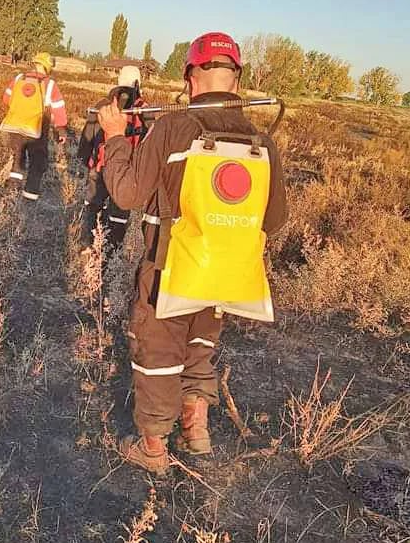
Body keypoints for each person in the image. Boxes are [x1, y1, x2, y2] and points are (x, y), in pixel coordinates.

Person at [97, 32, 288, 473]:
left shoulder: (173, 127)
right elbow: (273, 221)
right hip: (228, 275)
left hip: (170, 267)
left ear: (191, 76)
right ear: (237, 78)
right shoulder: (263, 142)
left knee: (158, 352)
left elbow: (126, 193)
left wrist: (115, 137)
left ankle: (152, 449)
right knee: (200, 346)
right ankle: (196, 430)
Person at [77, 65, 152, 251]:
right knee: (119, 211)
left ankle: (86, 242)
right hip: (126, 170)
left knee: (93, 203)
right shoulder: (145, 109)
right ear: (138, 82)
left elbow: (88, 134)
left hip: (100, 166)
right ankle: (112, 249)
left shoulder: (102, 105)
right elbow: (151, 140)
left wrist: (84, 158)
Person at [0, 52, 68, 202]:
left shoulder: (19, 78)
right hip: (36, 129)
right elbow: (58, 109)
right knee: (38, 162)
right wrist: (61, 130)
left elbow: (6, 99)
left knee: (18, 159)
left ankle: (11, 193)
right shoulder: (50, 84)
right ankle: (29, 199)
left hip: (14, 127)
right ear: (48, 67)